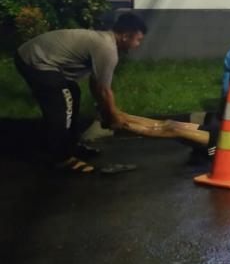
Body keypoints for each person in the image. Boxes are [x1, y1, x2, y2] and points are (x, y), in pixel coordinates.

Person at [13, 13, 147, 174]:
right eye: (138, 40)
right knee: (61, 104)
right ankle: (62, 158)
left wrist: (105, 111)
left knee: (73, 92)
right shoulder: (107, 48)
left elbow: (96, 84)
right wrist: (113, 116)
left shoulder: (105, 42)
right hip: (34, 59)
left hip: (39, 57)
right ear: (126, 36)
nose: (138, 44)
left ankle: (70, 146)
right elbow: (103, 90)